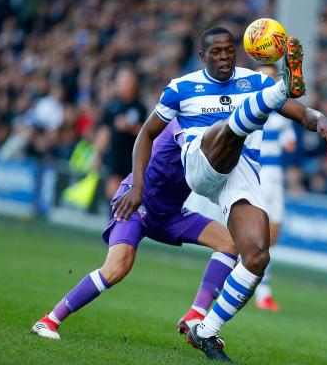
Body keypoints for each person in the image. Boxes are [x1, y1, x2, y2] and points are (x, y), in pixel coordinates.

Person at [112, 26, 327, 362]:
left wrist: (321, 119)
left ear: (237, 51)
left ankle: (205, 331)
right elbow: (145, 135)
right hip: (200, 159)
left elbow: (303, 114)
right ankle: (283, 88)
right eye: (216, 52)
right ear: (203, 56)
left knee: (258, 256)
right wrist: (138, 187)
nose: (224, 58)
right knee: (230, 129)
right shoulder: (180, 89)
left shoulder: (254, 82)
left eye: (229, 51)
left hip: (240, 171)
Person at [31, 120, 238, 339]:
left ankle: (195, 314)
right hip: (138, 201)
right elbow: (198, 154)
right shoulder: (185, 117)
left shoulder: (213, 121)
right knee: (117, 266)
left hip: (170, 212)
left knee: (229, 243)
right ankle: (49, 320)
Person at [253, 64, 296, 312]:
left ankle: (259, 285)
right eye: (262, 77)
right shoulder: (249, 109)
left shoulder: (282, 114)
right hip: (257, 175)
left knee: (272, 236)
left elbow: (290, 145)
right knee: (258, 235)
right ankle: (261, 291)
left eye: (270, 77)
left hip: (275, 177)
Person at [96, 67, 147, 199]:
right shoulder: (113, 106)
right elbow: (104, 131)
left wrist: (130, 127)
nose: (123, 85)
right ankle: (113, 218)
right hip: (115, 158)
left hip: (132, 159)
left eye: (126, 82)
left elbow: (146, 132)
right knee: (113, 193)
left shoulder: (140, 107)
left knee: (129, 195)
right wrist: (97, 154)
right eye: (121, 82)